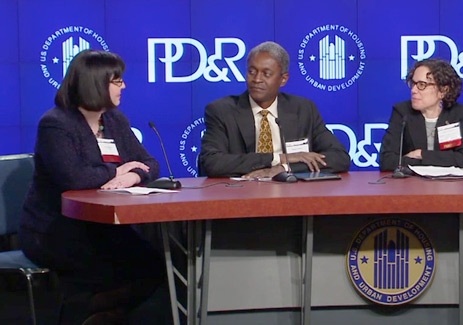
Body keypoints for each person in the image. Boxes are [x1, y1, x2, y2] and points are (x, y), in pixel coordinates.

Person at [18, 50, 166, 324]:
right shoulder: (56, 124)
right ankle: (88, 311)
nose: (124, 86)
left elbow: (149, 163)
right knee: (111, 269)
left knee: (157, 265)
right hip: (54, 231)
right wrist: (115, 169)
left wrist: (130, 176)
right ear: (96, 83)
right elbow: (74, 178)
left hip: (103, 228)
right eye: (117, 81)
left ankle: (102, 312)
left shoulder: (114, 120)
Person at [199, 41, 350, 178]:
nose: (257, 79)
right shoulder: (222, 111)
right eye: (252, 71)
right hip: (240, 197)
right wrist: (278, 158)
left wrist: (283, 168)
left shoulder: (303, 109)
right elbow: (212, 163)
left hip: (292, 198)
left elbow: (339, 158)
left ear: (283, 79)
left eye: (266, 74)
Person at [379, 59, 463, 171]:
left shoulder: (459, 113)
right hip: (411, 185)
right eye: (413, 83)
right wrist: (441, 160)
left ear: (443, 90)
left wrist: (422, 154)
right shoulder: (402, 112)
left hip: (449, 186)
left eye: (421, 85)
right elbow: (387, 161)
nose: (414, 90)